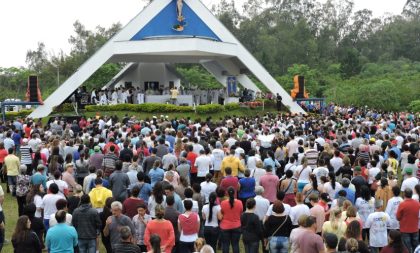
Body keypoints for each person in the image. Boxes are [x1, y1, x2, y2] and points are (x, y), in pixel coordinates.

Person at [218, 186, 243, 253]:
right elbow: (241, 212)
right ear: (234, 193)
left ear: (227, 193)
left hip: (225, 227)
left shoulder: (223, 203)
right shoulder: (240, 202)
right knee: (235, 244)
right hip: (237, 226)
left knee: (225, 245)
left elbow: (221, 214)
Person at [397, 188, 420, 253]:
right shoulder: (417, 203)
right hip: (415, 228)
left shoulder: (402, 204)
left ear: (404, 194)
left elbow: (398, 217)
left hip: (405, 229)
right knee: (416, 247)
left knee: (407, 248)